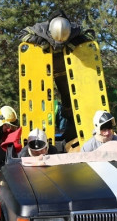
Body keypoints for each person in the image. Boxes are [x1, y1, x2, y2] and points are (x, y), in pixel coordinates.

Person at [19, 10, 95, 143]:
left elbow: (90, 33)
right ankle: (38, 134)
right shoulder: (40, 28)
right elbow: (22, 34)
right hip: (42, 70)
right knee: (39, 99)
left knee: (68, 98)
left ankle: (71, 128)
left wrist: (73, 43)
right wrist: (39, 41)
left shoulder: (75, 29)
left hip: (63, 70)